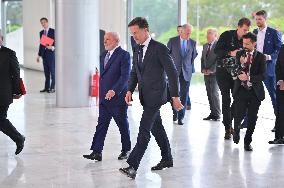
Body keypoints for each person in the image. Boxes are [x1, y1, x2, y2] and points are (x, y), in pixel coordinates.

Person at [119, 17, 183, 179]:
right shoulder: (136, 47)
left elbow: (172, 73)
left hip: (156, 95)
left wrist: (175, 96)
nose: (134, 36)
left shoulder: (159, 48)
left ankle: (133, 165)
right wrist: (129, 90)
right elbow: (135, 71)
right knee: (157, 129)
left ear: (145, 30)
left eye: (136, 33)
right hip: (144, 95)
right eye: (132, 33)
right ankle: (167, 159)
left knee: (144, 130)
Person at [83, 32, 131, 161]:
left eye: (108, 39)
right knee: (101, 124)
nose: (105, 42)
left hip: (118, 98)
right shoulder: (103, 55)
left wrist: (114, 90)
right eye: (104, 39)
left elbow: (125, 77)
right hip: (104, 97)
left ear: (116, 41)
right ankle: (96, 151)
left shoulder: (124, 55)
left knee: (122, 124)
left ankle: (126, 150)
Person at [214, 17, 251, 139]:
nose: (246, 33)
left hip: (237, 73)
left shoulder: (246, 40)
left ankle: (230, 122)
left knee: (238, 99)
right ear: (238, 27)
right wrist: (230, 53)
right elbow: (217, 51)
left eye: (247, 30)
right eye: (244, 30)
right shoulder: (227, 35)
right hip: (223, 73)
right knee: (226, 98)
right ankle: (227, 128)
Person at [232, 32, 266, 151]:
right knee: (238, 115)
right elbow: (234, 71)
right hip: (241, 90)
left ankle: (247, 142)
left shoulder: (261, 57)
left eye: (247, 44)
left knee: (252, 118)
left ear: (254, 43)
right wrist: (241, 64)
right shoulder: (239, 54)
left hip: (255, 92)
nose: (244, 45)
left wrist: (249, 78)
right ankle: (236, 131)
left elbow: (263, 76)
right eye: (243, 43)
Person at [253, 10, 282, 132]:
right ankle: (246, 122)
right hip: (255, 69)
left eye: (260, 19)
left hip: (270, 70)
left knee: (274, 97)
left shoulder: (274, 32)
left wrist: (269, 57)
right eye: (256, 19)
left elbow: (280, 49)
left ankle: (279, 124)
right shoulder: (254, 32)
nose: (258, 21)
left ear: (265, 19)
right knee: (251, 95)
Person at [167, 24, 198, 125]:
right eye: (187, 33)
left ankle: (181, 117)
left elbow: (193, 56)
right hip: (174, 72)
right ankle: (175, 112)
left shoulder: (193, 42)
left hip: (186, 72)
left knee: (184, 95)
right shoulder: (172, 41)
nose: (189, 35)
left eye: (190, 33)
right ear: (182, 31)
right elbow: (167, 56)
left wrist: (187, 66)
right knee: (174, 94)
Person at [0, 33, 25, 155]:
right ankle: (19, 138)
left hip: (3, 93)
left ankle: (19, 138)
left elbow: (16, 74)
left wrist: (17, 91)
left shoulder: (9, 53)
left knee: (0, 119)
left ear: (2, 39)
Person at [201, 28, 221, 121]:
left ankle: (217, 114)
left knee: (214, 93)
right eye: (207, 33)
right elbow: (203, 59)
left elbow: (219, 60)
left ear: (215, 35)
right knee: (209, 93)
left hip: (215, 74)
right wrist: (203, 69)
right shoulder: (205, 45)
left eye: (210, 33)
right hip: (206, 73)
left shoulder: (219, 45)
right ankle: (212, 113)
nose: (207, 35)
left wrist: (211, 70)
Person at [269, 44, 284, 144]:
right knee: (280, 110)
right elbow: (278, 65)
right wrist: (280, 80)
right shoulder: (283, 47)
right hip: (281, 85)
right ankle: (279, 137)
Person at [36, 17, 56, 93]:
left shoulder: (53, 31)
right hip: (44, 55)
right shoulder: (41, 32)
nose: (43, 24)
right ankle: (46, 87)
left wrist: (52, 47)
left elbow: (58, 42)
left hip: (51, 55)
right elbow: (41, 45)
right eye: (42, 23)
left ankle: (52, 88)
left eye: (44, 22)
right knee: (46, 73)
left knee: (52, 72)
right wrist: (38, 55)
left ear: (47, 22)